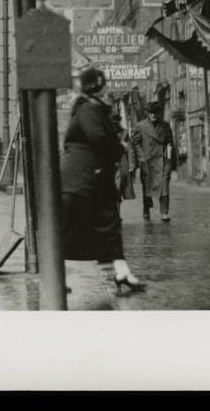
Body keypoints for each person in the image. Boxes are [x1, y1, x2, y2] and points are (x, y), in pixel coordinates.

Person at [61, 68, 146, 293]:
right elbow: (98, 138)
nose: (107, 88)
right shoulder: (89, 109)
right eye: (104, 84)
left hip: (89, 180)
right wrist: (121, 147)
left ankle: (121, 271)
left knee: (107, 225)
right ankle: (57, 278)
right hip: (83, 181)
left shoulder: (91, 107)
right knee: (75, 230)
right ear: (97, 86)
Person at [131, 100, 177, 222]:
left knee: (164, 186)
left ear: (159, 113)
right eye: (151, 113)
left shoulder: (165, 126)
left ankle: (164, 212)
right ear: (147, 113)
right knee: (147, 187)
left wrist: (170, 158)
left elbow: (171, 143)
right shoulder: (140, 126)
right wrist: (141, 157)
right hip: (147, 161)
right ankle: (146, 209)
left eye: (155, 113)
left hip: (163, 161)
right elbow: (136, 143)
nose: (153, 115)